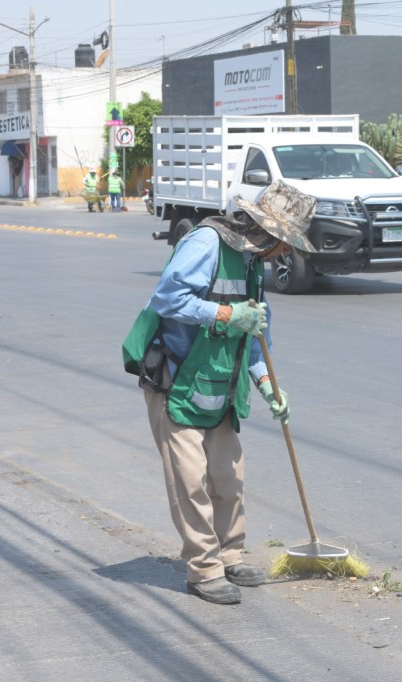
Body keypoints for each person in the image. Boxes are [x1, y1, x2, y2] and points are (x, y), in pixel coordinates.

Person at [129, 179, 317, 605]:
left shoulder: (252, 265)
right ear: (268, 232)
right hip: (175, 380)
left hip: (220, 383)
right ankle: (204, 569)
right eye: (285, 244)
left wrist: (269, 385)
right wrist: (228, 313)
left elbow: (253, 338)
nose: (285, 254)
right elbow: (167, 298)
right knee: (191, 481)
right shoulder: (206, 244)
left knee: (229, 477)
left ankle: (230, 555)